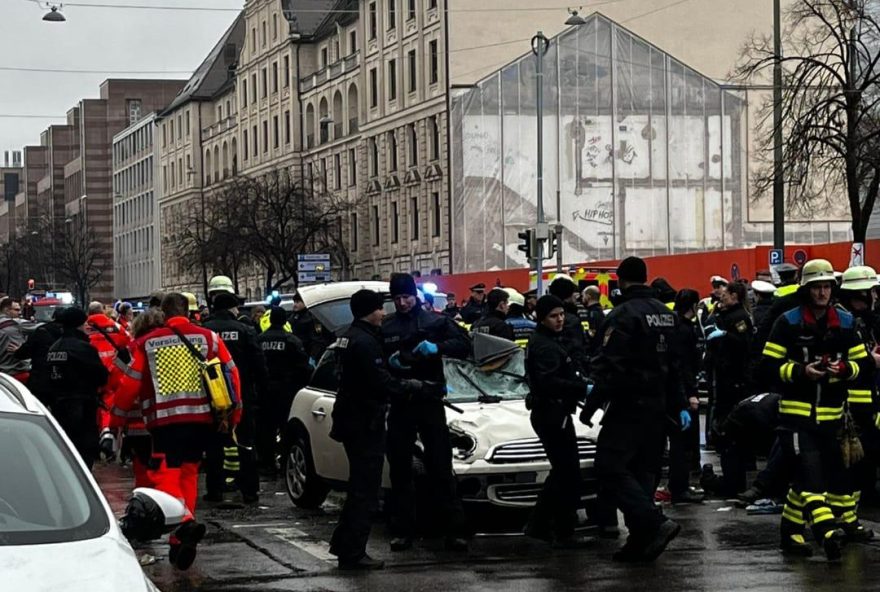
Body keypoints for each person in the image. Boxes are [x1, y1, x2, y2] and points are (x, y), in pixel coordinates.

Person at [115, 293, 241, 570]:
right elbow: (232, 375)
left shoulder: (148, 342)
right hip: (202, 421)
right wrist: (234, 415)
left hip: (165, 423)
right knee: (189, 474)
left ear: (163, 312)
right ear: (189, 310)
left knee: (166, 475)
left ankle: (183, 523)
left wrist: (117, 418)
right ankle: (179, 538)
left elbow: (130, 386)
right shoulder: (209, 338)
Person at [761, 259, 871, 559]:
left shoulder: (846, 324)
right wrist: (800, 372)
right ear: (806, 289)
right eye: (817, 287)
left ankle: (790, 533)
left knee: (809, 480)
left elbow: (863, 365)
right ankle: (827, 533)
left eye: (826, 287)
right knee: (812, 478)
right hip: (796, 418)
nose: (822, 293)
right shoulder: (788, 322)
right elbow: (769, 366)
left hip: (833, 418)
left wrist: (845, 368)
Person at [329, 289, 446, 569]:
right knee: (365, 491)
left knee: (358, 487)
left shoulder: (346, 335)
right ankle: (353, 552)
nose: (384, 314)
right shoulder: (365, 341)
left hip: (350, 417)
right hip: (363, 421)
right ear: (370, 311)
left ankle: (344, 545)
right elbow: (379, 381)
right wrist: (414, 387)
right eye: (380, 309)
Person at [580, 256, 686, 562]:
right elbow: (676, 365)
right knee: (642, 473)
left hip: (628, 405)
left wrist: (592, 404)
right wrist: (679, 404)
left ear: (621, 280)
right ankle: (640, 542)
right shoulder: (666, 315)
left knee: (609, 467)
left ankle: (654, 523)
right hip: (659, 407)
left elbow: (610, 366)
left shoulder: (623, 315)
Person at [382, 272, 470, 552]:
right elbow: (377, 360)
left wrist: (437, 348)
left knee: (441, 466)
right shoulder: (387, 325)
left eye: (406, 297)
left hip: (430, 399)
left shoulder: (434, 321)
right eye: (397, 298)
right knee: (400, 468)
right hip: (401, 401)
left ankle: (454, 530)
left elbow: (464, 345)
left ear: (415, 296)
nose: (403, 303)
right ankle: (403, 529)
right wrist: (390, 363)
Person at [523, 294, 594, 548]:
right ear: (542, 318)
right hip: (551, 413)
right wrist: (580, 388)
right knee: (565, 470)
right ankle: (542, 524)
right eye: (554, 316)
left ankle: (557, 524)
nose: (560, 319)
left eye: (562, 314)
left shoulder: (550, 340)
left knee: (566, 471)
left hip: (556, 412)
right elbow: (549, 382)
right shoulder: (544, 345)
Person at [203, 291, 268, 503]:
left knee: (214, 444)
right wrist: (260, 390)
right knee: (245, 441)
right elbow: (259, 364)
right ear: (232, 309)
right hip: (241, 394)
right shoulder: (245, 330)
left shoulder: (205, 331)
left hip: (212, 395)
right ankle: (249, 490)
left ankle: (215, 489)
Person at [832, 265, 880, 536]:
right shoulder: (844, 321)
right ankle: (841, 521)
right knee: (849, 464)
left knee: (858, 464)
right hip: (849, 405)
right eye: (871, 290)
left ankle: (847, 519)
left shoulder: (858, 320)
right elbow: (857, 361)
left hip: (863, 404)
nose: (874, 296)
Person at [45, 307, 109, 469]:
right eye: (84, 323)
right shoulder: (83, 348)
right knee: (84, 451)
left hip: (59, 405)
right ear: (78, 325)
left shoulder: (54, 348)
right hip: (82, 405)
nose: (87, 326)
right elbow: (101, 376)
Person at [111, 308, 165, 489]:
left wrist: (115, 423)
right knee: (169, 471)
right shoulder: (172, 345)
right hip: (169, 419)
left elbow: (115, 384)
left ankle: (146, 506)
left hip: (136, 422)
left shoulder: (129, 351)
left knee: (142, 472)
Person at [256, 306, 313, 474]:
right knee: (285, 427)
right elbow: (303, 366)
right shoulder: (292, 340)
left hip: (265, 391)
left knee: (266, 429)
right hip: (287, 391)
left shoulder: (260, 339)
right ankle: (285, 462)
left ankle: (267, 463)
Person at [667, 288, 703, 504]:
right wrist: (690, 394)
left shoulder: (676, 325)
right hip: (682, 391)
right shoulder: (684, 329)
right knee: (681, 443)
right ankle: (679, 488)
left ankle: (679, 485)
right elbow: (683, 366)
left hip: (677, 389)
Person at [85, 300, 132, 461]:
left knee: (94, 404)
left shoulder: (84, 327)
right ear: (102, 311)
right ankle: (108, 433)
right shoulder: (114, 326)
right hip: (113, 370)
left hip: (91, 371)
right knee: (109, 402)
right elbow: (128, 342)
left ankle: (100, 434)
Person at [705, 281, 753, 437]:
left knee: (728, 406)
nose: (722, 298)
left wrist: (725, 335)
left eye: (724, 295)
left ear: (734, 296)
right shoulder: (727, 314)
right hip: (724, 369)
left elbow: (743, 343)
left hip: (734, 372)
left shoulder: (739, 317)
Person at [15, 306, 65, 403]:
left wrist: (18, 351)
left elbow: (24, 352)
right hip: (65, 383)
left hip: (41, 379)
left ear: (54, 316)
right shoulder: (75, 334)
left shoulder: (42, 331)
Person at [548, 275, 589, 376]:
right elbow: (576, 351)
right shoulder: (572, 320)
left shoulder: (544, 317)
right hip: (568, 374)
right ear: (570, 295)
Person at [291, 292, 331, 361]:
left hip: (307, 353)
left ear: (305, 303)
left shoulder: (312, 318)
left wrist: (313, 356)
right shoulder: (293, 317)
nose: (294, 305)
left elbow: (317, 339)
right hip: (297, 354)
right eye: (294, 302)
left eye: (297, 302)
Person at [0, 297, 29, 382]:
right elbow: (37, 326)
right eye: (16, 310)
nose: (19, 313)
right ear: (6, 310)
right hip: (15, 372)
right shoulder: (14, 324)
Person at [581, 285, 605, 355]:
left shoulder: (592, 313)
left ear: (588, 297)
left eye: (583, 296)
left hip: (592, 353)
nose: (582, 298)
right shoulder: (599, 311)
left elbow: (592, 335)